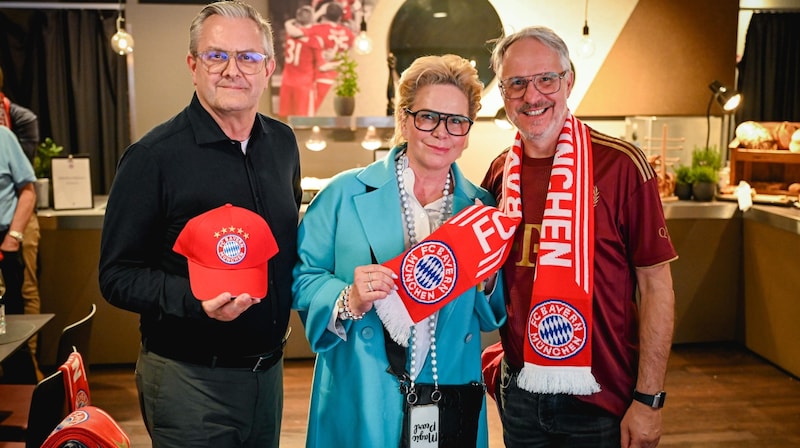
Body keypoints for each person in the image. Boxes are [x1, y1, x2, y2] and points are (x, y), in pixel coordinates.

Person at [98, 2, 301, 447]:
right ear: (193, 65)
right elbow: (116, 276)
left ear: (267, 67)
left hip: (268, 374)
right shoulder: (153, 158)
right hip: (189, 380)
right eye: (216, 55)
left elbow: (284, 248)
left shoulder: (283, 144)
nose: (233, 70)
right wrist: (196, 299)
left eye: (247, 57)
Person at [292, 54, 506, 448]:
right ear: (404, 120)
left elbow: (491, 315)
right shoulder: (343, 194)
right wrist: (347, 297)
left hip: (450, 392)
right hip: (362, 391)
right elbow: (302, 278)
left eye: (457, 121)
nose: (442, 132)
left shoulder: (480, 208)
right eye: (428, 117)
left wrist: (488, 279)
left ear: (467, 131)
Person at [481, 26, 677, 447]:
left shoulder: (621, 166)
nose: (532, 96)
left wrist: (649, 399)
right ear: (503, 93)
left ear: (568, 81)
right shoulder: (500, 173)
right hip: (520, 397)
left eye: (546, 79)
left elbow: (656, 287)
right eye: (516, 83)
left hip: (602, 398)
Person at [0, 66, 43, 380]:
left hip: (8, 230)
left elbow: (27, 189)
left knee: (18, 301)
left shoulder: (10, 129)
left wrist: (13, 235)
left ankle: (26, 375)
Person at [0, 125, 35, 319]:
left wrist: (13, 236)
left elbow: (28, 192)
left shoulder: (4, 137)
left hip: (5, 242)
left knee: (11, 317)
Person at [278, 6, 326, 118]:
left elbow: (290, 26)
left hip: (287, 82)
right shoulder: (314, 36)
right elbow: (321, 66)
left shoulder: (289, 33)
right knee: (303, 121)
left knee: (283, 121)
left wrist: (291, 21)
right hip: (304, 85)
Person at [306, 1, 354, 111]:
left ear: (325, 14)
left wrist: (318, 13)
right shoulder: (348, 33)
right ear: (340, 17)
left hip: (323, 78)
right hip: (343, 81)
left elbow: (303, 28)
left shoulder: (317, 29)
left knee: (321, 116)